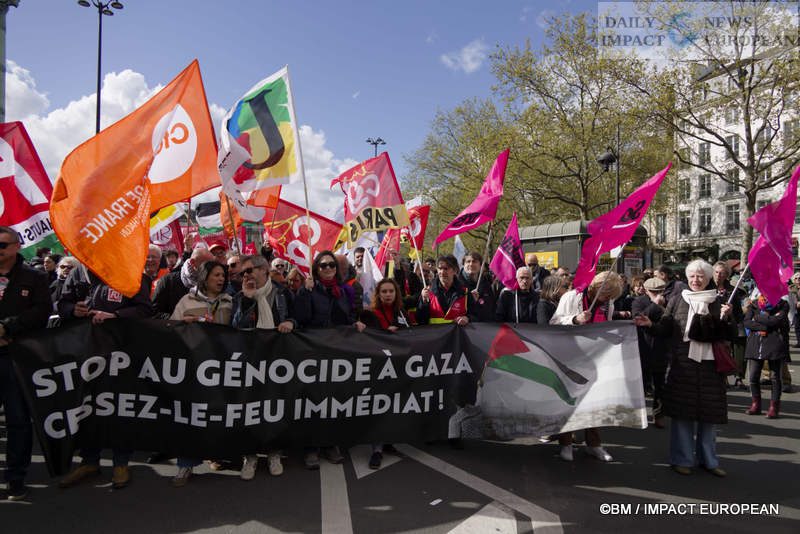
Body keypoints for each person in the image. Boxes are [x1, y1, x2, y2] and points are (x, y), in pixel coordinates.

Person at [57, 261, 154, 489]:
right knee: (88, 405)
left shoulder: (131, 271)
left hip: (119, 351)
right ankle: (89, 461)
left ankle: (121, 462)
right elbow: (62, 303)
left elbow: (144, 309)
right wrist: (73, 310)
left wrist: (115, 315)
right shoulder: (78, 271)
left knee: (119, 406)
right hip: (86, 350)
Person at [635, 260, 734, 477]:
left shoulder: (718, 302)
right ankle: (682, 459)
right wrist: (650, 325)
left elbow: (730, 334)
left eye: (700, 276)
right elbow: (665, 329)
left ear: (708, 278)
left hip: (710, 366)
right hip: (683, 364)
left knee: (709, 417)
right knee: (682, 415)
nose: (696, 280)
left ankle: (709, 461)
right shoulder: (677, 300)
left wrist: (728, 318)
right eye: (692, 276)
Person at [294, 251, 365, 467]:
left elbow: (344, 317)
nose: (328, 269)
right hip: (313, 350)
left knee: (332, 398)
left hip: (334, 350)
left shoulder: (340, 291)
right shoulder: (308, 289)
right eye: (323, 265)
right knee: (312, 399)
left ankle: (329, 444)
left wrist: (354, 323)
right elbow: (301, 318)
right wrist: (304, 292)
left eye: (332, 265)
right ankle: (310, 447)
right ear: (316, 268)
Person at [228, 254, 296, 480]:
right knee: (250, 406)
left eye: (249, 270)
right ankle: (250, 455)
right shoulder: (239, 296)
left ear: (264, 270)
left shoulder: (283, 293)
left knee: (273, 405)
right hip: (250, 360)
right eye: (242, 273)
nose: (245, 275)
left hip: (277, 359)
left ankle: (273, 453)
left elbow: (297, 318)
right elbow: (236, 326)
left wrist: (291, 322)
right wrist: (248, 300)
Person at [170, 260, 234, 487]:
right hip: (193, 368)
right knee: (191, 415)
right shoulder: (186, 301)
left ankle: (214, 453)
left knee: (217, 413)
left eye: (223, 275)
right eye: (216, 275)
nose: (221, 279)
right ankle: (185, 465)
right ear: (205, 277)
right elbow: (171, 329)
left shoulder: (229, 302)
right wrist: (183, 323)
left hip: (220, 368)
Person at [0, 227, 51, 500]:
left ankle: (15, 477)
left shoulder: (34, 277)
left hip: (17, 357)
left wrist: (7, 328)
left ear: (16, 246)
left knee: (18, 419)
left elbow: (42, 311)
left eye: (2, 245)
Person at [550, 271, 622, 462]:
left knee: (595, 401)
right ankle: (566, 444)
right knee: (570, 401)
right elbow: (554, 323)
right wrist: (575, 319)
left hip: (595, 358)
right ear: (595, 287)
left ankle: (594, 444)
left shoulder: (608, 304)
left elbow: (606, 326)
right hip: (570, 356)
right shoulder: (571, 297)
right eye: (606, 294)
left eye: (611, 296)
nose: (607, 298)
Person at [359, 278, 409, 469]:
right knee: (379, 407)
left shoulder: (402, 313)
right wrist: (385, 333)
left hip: (397, 366)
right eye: (384, 291)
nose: (388, 294)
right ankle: (376, 450)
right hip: (378, 367)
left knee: (394, 404)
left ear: (396, 293)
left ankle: (388, 441)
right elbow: (366, 339)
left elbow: (411, 334)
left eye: (391, 291)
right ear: (378, 294)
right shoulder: (369, 314)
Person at [742, 295, 789, 419]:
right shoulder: (754, 304)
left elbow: (776, 321)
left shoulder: (783, 304)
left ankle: (774, 407)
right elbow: (747, 322)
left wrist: (757, 318)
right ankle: (755, 404)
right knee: (753, 376)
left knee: (775, 377)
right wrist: (765, 326)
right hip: (755, 343)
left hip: (774, 344)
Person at [632, 277, 668, 428]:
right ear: (647, 291)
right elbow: (638, 319)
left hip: (661, 347)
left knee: (660, 385)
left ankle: (658, 414)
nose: (658, 294)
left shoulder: (669, 301)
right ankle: (637, 414)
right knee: (641, 383)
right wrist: (654, 305)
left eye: (660, 291)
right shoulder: (639, 301)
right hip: (643, 346)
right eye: (654, 292)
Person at [152, 246, 214, 319]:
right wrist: (178, 319)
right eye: (207, 265)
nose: (211, 269)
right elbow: (154, 312)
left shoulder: (212, 282)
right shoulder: (169, 281)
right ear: (193, 262)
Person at [416, 254, 477, 327]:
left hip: (457, 334)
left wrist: (467, 318)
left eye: (446, 268)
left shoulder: (465, 292)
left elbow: (476, 316)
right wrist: (423, 302)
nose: (442, 272)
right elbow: (420, 321)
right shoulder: (428, 291)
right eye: (440, 268)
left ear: (455, 271)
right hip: (434, 334)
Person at [712, 261, 746, 389]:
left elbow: (738, 313)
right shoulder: (708, 288)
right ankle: (722, 378)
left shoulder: (732, 291)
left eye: (722, 273)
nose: (718, 275)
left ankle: (736, 377)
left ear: (727, 275)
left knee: (731, 351)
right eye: (716, 272)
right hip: (713, 326)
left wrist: (730, 315)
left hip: (728, 326)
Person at [459, 251, 494, 322]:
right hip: (465, 327)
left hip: (485, 326)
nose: (471, 264)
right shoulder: (456, 284)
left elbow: (492, 308)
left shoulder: (486, 284)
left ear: (480, 265)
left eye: (474, 261)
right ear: (463, 264)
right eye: (468, 261)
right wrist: (470, 300)